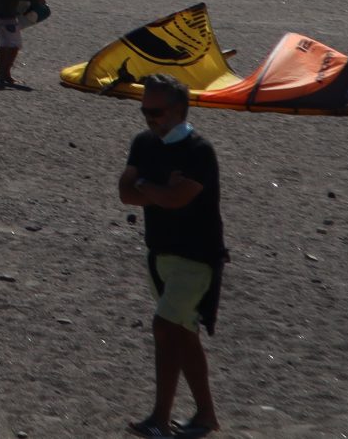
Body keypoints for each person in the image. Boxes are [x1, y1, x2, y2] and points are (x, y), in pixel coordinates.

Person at [119, 75, 226, 438]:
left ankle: (159, 420)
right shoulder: (144, 143)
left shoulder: (199, 151)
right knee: (182, 334)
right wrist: (158, 188)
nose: (149, 117)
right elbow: (125, 193)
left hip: (196, 257)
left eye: (156, 111)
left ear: (179, 110)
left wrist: (147, 186)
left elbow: (176, 199)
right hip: (160, 253)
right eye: (145, 110)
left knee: (165, 328)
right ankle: (206, 416)